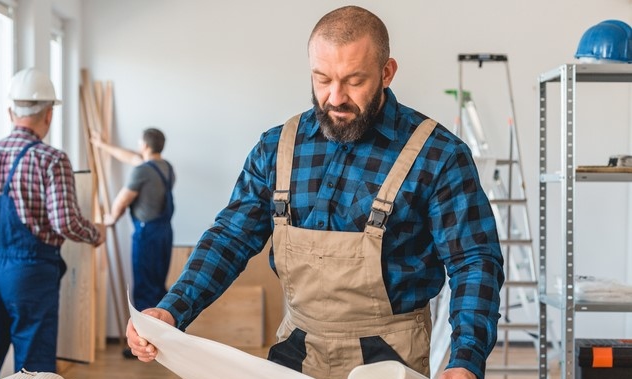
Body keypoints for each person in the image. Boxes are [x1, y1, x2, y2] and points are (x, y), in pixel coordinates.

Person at [126, 6, 504, 379]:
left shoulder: (438, 155)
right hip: (296, 349)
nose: (335, 97)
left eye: (354, 81)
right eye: (322, 79)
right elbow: (231, 237)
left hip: (392, 356)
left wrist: (465, 359)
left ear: (387, 72)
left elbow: (474, 261)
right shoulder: (276, 147)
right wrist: (172, 309)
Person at [0, 67, 105, 379]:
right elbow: (64, 221)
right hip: (30, 273)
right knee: (34, 367)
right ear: (49, 115)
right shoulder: (51, 159)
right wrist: (95, 234)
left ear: (10, 111)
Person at [91, 128, 175, 320]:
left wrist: (111, 217)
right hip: (165, 233)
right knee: (158, 286)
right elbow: (131, 157)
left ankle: (144, 343)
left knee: (145, 288)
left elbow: (122, 200)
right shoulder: (166, 167)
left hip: (147, 235)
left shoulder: (143, 171)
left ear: (145, 145)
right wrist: (102, 145)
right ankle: (160, 340)